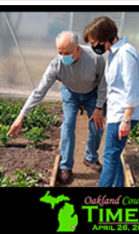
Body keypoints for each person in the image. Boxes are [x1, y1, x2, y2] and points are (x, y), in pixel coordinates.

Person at [7, 30, 106, 185]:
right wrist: (21, 116)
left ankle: (90, 157)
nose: (62, 56)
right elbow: (39, 91)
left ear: (78, 49)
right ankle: (66, 166)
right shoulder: (56, 64)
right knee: (67, 126)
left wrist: (99, 108)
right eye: (59, 52)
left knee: (97, 127)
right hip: (71, 92)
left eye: (66, 52)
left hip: (92, 93)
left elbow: (103, 84)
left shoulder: (95, 58)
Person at [83, 16, 139, 187]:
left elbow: (131, 88)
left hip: (124, 115)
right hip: (116, 114)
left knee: (109, 155)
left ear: (106, 37)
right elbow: (115, 88)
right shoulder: (115, 53)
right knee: (114, 154)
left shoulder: (126, 54)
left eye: (94, 42)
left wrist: (126, 119)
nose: (93, 46)